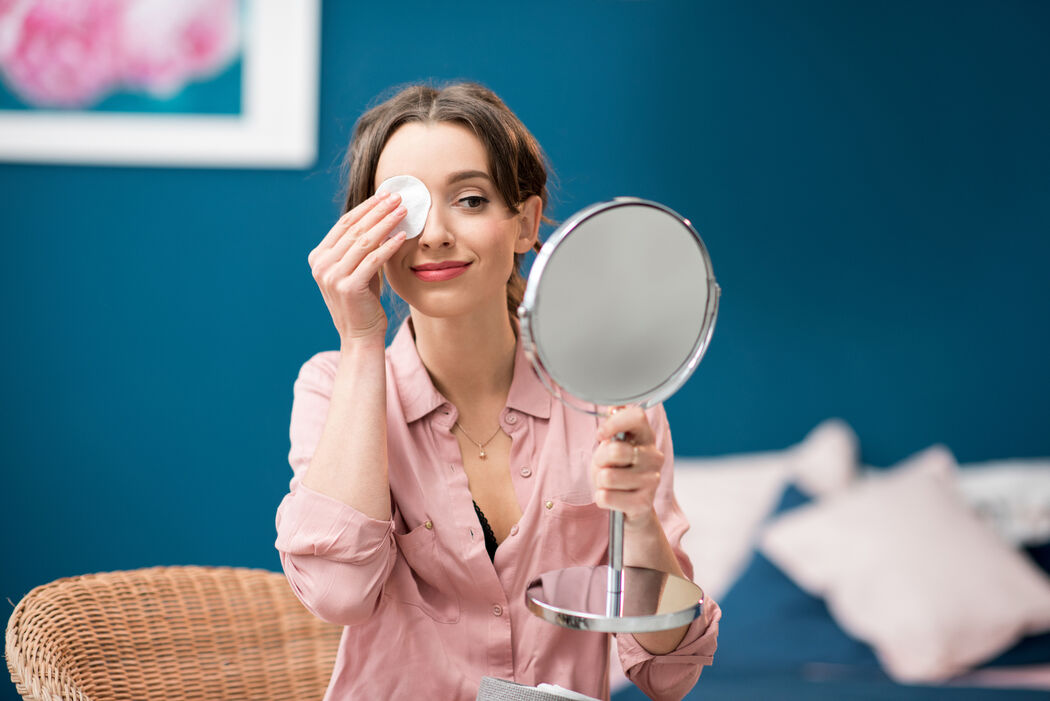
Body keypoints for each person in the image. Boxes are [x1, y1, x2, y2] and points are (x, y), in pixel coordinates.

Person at [275, 81, 720, 700]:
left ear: (526, 223)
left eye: (471, 200)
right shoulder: (332, 386)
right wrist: (359, 338)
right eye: (403, 206)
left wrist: (638, 516)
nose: (432, 235)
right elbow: (339, 595)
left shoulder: (610, 400)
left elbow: (670, 673)